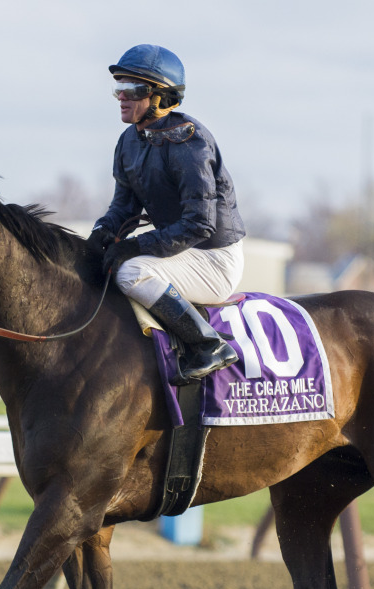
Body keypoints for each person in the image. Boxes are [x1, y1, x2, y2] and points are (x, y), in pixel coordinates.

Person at [88, 44, 246, 384]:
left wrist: (133, 247)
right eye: (119, 88)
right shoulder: (128, 141)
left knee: (130, 272)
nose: (121, 97)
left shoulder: (190, 143)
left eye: (132, 89)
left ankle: (208, 344)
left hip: (213, 258)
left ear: (161, 97)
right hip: (181, 253)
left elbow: (199, 224)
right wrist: (100, 235)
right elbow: (123, 207)